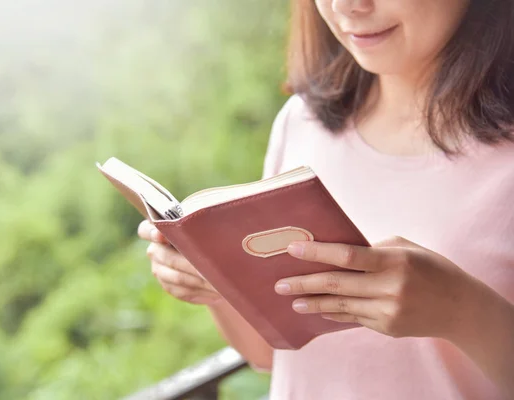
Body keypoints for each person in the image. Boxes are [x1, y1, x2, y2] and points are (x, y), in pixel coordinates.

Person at [138, 0, 514, 398]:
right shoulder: (302, 121)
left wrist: (463, 311)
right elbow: (272, 354)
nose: (346, 6)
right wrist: (216, 282)